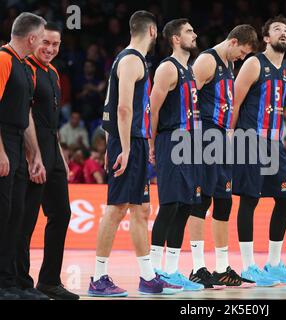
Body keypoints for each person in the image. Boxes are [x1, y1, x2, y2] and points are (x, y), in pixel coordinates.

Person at [89, 11, 181, 297]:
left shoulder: (130, 60)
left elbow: (107, 104)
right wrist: (124, 148)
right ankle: (98, 277)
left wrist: (111, 144)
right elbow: (122, 108)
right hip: (129, 142)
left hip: (130, 141)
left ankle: (147, 276)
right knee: (116, 209)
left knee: (141, 210)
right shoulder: (131, 60)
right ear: (153, 31)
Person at [231, 15, 286, 287]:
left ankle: (273, 263)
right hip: (250, 140)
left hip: (275, 145)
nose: (283, 33)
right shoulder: (253, 63)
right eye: (277, 30)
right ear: (267, 38)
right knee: (249, 199)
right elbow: (235, 103)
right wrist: (229, 137)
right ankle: (248, 266)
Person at [187, 24, 258, 288]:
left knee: (224, 201)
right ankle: (197, 267)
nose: (242, 58)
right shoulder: (207, 60)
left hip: (222, 137)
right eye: (242, 52)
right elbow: (187, 99)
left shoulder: (229, 65)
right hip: (206, 136)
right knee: (202, 199)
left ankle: (221, 267)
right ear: (233, 41)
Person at [16, 22, 79, 300]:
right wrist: (34, 156)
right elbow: (25, 116)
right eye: (46, 43)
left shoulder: (53, 74)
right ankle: (20, 281)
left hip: (52, 154)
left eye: (56, 44)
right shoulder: (24, 68)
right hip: (31, 155)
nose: (51, 49)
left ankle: (49, 281)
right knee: (25, 221)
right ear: (35, 40)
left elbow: (50, 123)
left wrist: (61, 157)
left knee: (61, 213)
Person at [148, 19, 205, 291]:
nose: (194, 35)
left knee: (185, 206)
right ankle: (154, 271)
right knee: (169, 205)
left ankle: (171, 271)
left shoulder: (190, 70)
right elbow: (153, 109)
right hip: (171, 140)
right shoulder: (167, 68)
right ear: (175, 38)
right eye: (189, 32)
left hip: (192, 145)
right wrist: (151, 144)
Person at [0, 12, 47, 300]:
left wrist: (35, 155)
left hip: (18, 143)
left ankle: (11, 281)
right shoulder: (3, 59)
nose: (43, 43)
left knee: (16, 215)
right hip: (3, 141)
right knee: (3, 215)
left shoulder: (26, 67)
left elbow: (26, 114)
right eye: (41, 38)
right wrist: (1, 151)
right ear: (31, 38)